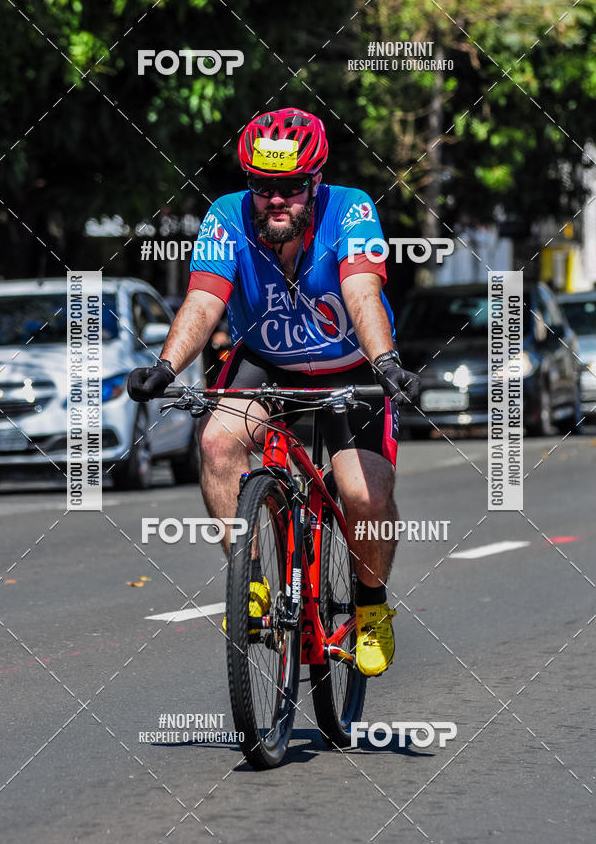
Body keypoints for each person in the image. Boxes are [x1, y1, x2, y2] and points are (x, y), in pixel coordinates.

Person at [127, 107, 420, 676]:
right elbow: (205, 301)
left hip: (350, 366)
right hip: (266, 363)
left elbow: (361, 293)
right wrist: (165, 369)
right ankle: (253, 582)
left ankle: (370, 606)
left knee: (365, 496)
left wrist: (386, 362)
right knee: (216, 443)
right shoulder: (224, 217)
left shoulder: (351, 210)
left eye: (290, 188)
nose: (276, 200)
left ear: (315, 184)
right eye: (263, 188)